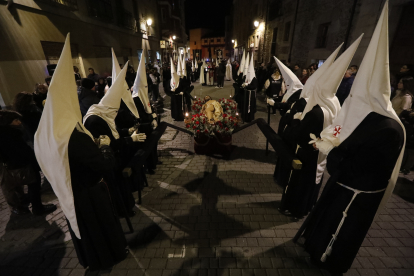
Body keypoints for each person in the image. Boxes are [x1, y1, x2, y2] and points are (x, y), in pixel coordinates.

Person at [300, 4, 404, 273]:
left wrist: (332, 152)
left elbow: (363, 165)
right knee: (325, 225)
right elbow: (344, 135)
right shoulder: (365, 117)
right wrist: (330, 143)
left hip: (357, 195)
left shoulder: (389, 129)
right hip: (342, 185)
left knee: (339, 233)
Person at [34, 35, 128, 270]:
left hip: (70, 193)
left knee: (83, 233)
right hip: (89, 194)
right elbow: (103, 165)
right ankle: (107, 258)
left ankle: (90, 258)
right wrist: (105, 146)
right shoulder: (72, 134)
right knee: (98, 229)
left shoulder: (47, 131)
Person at [279, 35, 362, 219]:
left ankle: (298, 209)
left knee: (303, 182)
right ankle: (309, 205)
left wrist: (295, 121)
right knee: (316, 180)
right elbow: (338, 129)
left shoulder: (316, 112)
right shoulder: (335, 104)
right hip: (322, 151)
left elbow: (300, 135)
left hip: (308, 153)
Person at [84, 62, 146, 217]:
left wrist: (127, 131)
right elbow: (108, 143)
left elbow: (114, 132)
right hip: (108, 162)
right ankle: (123, 210)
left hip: (114, 158)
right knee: (117, 187)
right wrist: (130, 139)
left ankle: (127, 206)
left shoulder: (102, 113)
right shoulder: (95, 120)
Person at [0, 110, 57, 216]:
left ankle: (26, 204)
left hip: (15, 165)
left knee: (27, 186)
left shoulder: (7, 133)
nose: (19, 122)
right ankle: (38, 208)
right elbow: (23, 151)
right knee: (34, 185)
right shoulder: (13, 134)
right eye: (16, 120)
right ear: (9, 122)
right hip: (23, 165)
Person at [240, 54, 257, 122]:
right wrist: (244, 85)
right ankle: (245, 117)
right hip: (246, 94)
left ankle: (250, 118)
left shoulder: (254, 79)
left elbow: (254, 86)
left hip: (251, 94)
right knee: (245, 105)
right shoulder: (246, 77)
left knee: (251, 106)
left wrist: (247, 86)